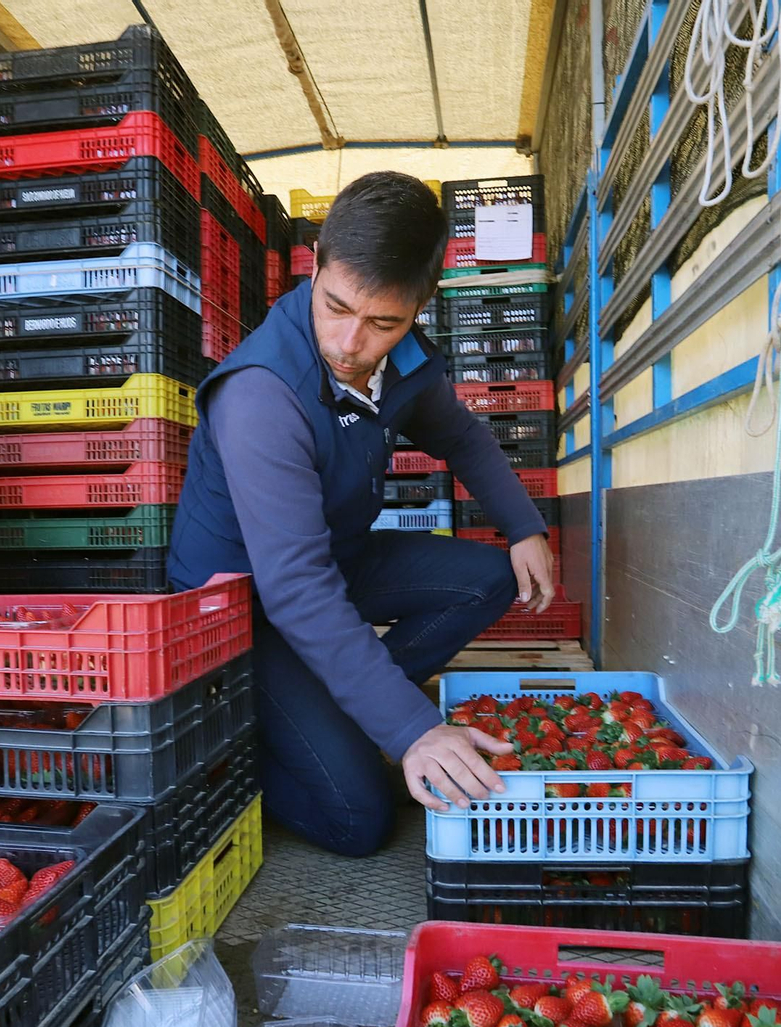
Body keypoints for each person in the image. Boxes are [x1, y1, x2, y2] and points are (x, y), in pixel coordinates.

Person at [167, 171, 555, 857]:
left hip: (331, 563)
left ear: (419, 306)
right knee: (360, 818)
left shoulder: (401, 359)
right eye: (336, 306)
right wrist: (410, 729)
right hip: (239, 612)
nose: (350, 343)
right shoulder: (263, 396)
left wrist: (526, 526)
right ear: (314, 263)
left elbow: (461, 436)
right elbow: (294, 589)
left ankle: (339, 707)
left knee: (492, 577)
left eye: (383, 322)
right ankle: (247, 751)